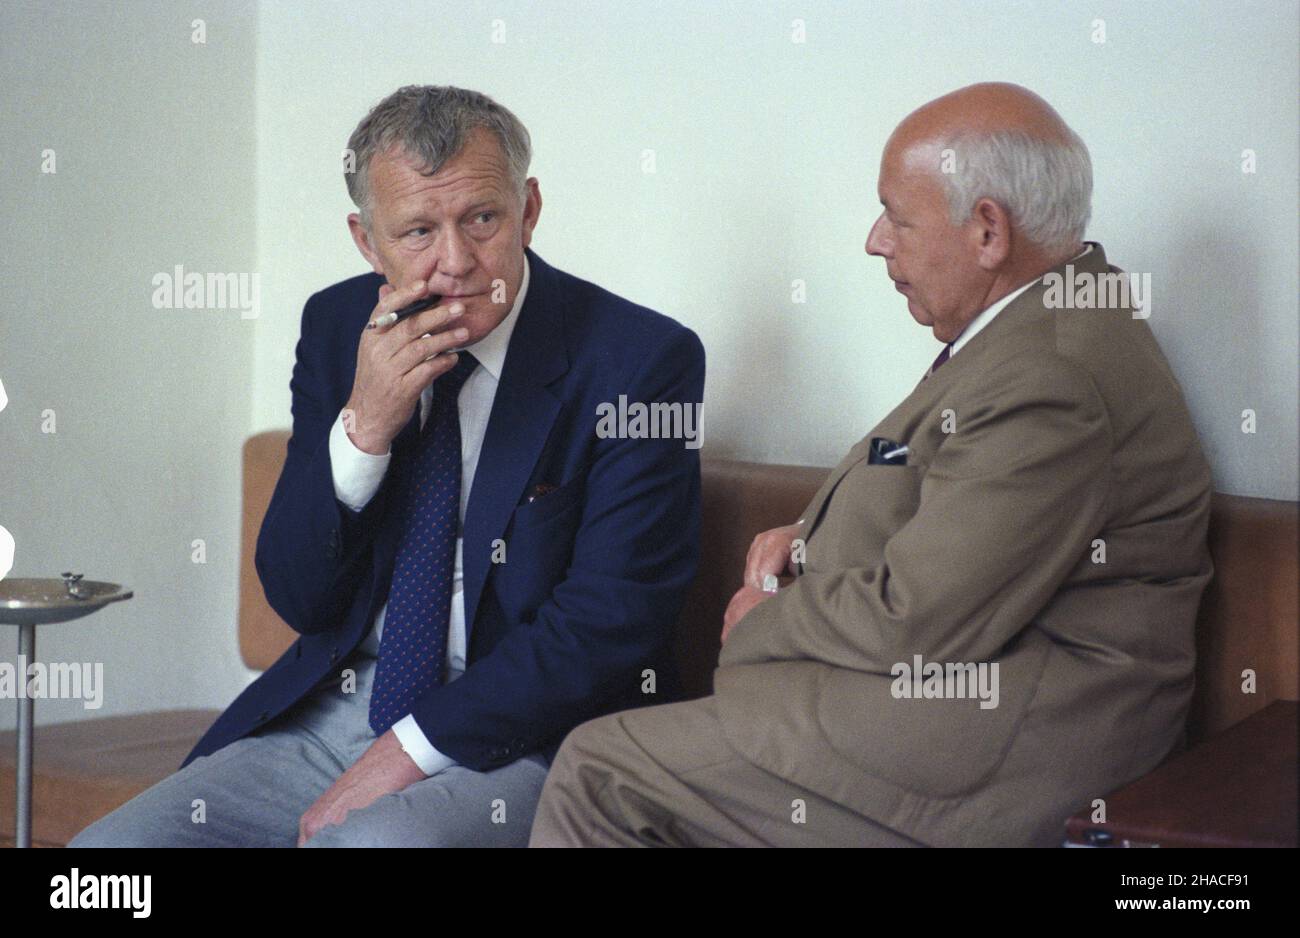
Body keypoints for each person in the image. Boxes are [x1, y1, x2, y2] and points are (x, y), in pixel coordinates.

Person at [530, 82, 1213, 848]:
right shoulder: (1043, 321)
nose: (875, 240)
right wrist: (813, 536)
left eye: (899, 215)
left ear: (988, 231)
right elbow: (954, 504)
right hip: (951, 704)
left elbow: (923, 616)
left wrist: (768, 619)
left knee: (600, 769)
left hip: (1008, 749)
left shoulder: (1050, 376)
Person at [70, 85, 705, 848]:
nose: (457, 262)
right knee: (106, 863)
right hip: (334, 711)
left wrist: (407, 750)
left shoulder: (640, 360)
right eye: (417, 232)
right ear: (367, 243)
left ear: (528, 208)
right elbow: (299, 595)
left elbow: (611, 624)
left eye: (483, 218)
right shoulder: (340, 327)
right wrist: (364, 428)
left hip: (535, 736)